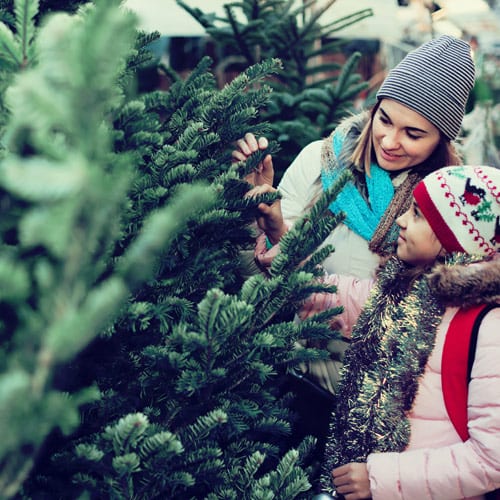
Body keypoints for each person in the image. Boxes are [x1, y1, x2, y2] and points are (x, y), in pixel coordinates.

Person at [233, 35, 476, 401]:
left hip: (381, 407)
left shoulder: (449, 204)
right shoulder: (318, 161)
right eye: (385, 119)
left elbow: (421, 314)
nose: (390, 141)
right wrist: (261, 220)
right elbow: (260, 286)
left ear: (440, 140)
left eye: (413, 134)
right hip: (297, 386)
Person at [298, 165, 500, 499]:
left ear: (454, 238)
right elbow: (331, 295)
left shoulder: (487, 326)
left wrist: (382, 479)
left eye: (417, 215)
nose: (401, 220)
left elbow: (491, 457)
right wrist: (278, 234)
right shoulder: (402, 288)